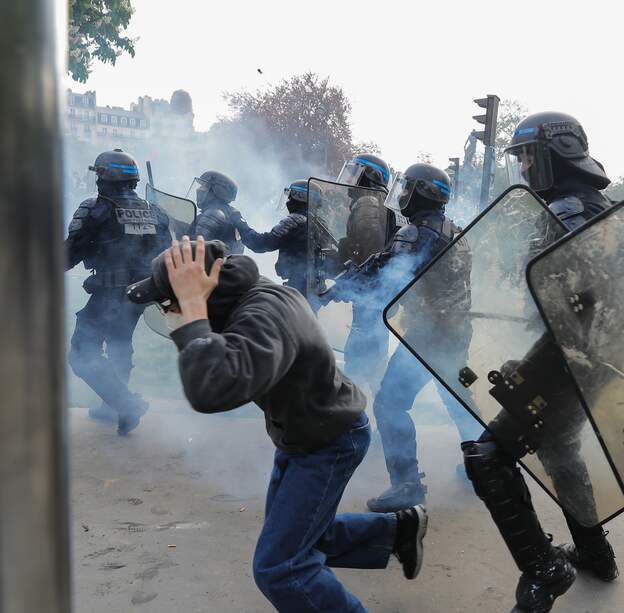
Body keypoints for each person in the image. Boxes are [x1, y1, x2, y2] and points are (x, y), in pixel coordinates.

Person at [126, 236, 428, 613]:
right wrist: (196, 310)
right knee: (294, 538)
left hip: (328, 440)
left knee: (281, 568)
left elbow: (212, 390)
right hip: (308, 433)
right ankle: (397, 531)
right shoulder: (246, 296)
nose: (168, 310)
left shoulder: (261, 314)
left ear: (204, 293)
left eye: (168, 301)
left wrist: (192, 310)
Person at [455, 112, 619, 613]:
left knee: (487, 458)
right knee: (561, 449)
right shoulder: (594, 206)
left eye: (528, 154)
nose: (523, 165)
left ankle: (546, 571)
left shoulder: (570, 213)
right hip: (588, 359)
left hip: (568, 358)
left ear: (554, 155)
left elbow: (580, 308)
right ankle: (596, 554)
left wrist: (531, 367)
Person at [326, 163, 483, 512]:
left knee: (389, 402)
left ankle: (407, 484)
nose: (401, 195)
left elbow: (386, 277)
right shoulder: (454, 231)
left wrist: (347, 289)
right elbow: (386, 263)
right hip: (456, 331)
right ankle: (485, 467)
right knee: (458, 399)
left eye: (406, 188)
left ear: (418, 192)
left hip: (427, 336)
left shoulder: (415, 234)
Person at [64, 149, 172, 434]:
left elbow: (68, 255)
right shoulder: (156, 212)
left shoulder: (95, 210)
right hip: (140, 294)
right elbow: (165, 255)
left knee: (80, 353)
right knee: (119, 344)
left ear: (103, 176)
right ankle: (112, 407)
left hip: (108, 295)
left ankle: (126, 404)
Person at [334, 154, 400, 384]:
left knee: (360, 355)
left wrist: (351, 280)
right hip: (376, 295)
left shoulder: (368, 205)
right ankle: (367, 396)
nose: (349, 179)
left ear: (368, 176)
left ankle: (358, 403)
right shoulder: (377, 203)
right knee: (371, 350)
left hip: (370, 295)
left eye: (354, 172)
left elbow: (371, 256)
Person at [235, 180, 336, 311]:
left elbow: (261, 244)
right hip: (315, 287)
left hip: (297, 288)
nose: (288, 200)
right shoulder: (320, 224)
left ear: (300, 197)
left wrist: (241, 224)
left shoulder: (294, 220)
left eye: (291, 195)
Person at [186, 170, 245, 254]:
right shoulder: (228, 214)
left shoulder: (213, 214)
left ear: (216, 190)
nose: (198, 189)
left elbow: (193, 249)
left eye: (204, 186)